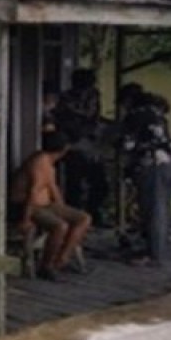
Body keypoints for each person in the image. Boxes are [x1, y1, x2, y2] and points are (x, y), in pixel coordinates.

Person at [10, 130, 92, 280]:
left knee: (83, 218)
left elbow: (53, 187)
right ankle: (46, 266)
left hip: (46, 204)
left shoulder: (49, 162)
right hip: (27, 205)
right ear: (64, 149)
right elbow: (33, 191)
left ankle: (62, 258)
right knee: (60, 226)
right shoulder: (39, 162)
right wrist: (26, 219)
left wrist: (62, 208)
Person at [120, 90, 171, 267]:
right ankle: (156, 248)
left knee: (153, 211)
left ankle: (154, 254)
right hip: (169, 163)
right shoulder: (158, 114)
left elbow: (127, 143)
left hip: (151, 165)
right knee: (162, 208)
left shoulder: (136, 115)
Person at [55, 69, 109, 225]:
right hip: (73, 145)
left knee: (100, 183)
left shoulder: (93, 95)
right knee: (74, 184)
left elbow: (94, 116)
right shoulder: (66, 98)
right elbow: (67, 119)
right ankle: (75, 215)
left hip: (91, 143)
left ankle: (93, 211)